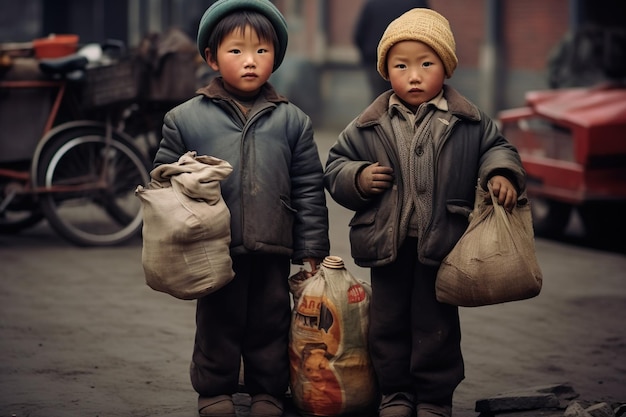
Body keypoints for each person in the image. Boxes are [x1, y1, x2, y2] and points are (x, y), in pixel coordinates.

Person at [324, 8, 526, 417]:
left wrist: (500, 173)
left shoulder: (468, 120)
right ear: (386, 71)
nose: (413, 75)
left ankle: (434, 397)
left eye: (426, 64)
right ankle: (395, 393)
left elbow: (498, 148)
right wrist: (359, 178)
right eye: (401, 66)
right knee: (387, 325)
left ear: (446, 68)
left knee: (437, 328)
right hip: (388, 244)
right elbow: (335, 165)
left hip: (444, 243)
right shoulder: (369, 123)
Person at [151, 1, 330, 416]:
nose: (250, 61)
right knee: (218, 322)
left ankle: (268, 391)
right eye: (236, 51)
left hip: (273, 244)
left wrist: (312, 249)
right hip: (213, 247)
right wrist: (182, 178)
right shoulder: (184, 119)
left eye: (261, 51)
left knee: (271, 322)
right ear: (212, 57)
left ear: (276, 58)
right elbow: (161, 178)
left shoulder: (294, 121)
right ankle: (215, 390)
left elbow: (308, 189)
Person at [353, 0, 430, 100]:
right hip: (409, 60)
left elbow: (359, 34)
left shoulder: (372, 4)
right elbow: (430, 29)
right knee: (410, 99)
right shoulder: (416, 3)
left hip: (375, 60)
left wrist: (366, 58)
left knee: (379, 101)